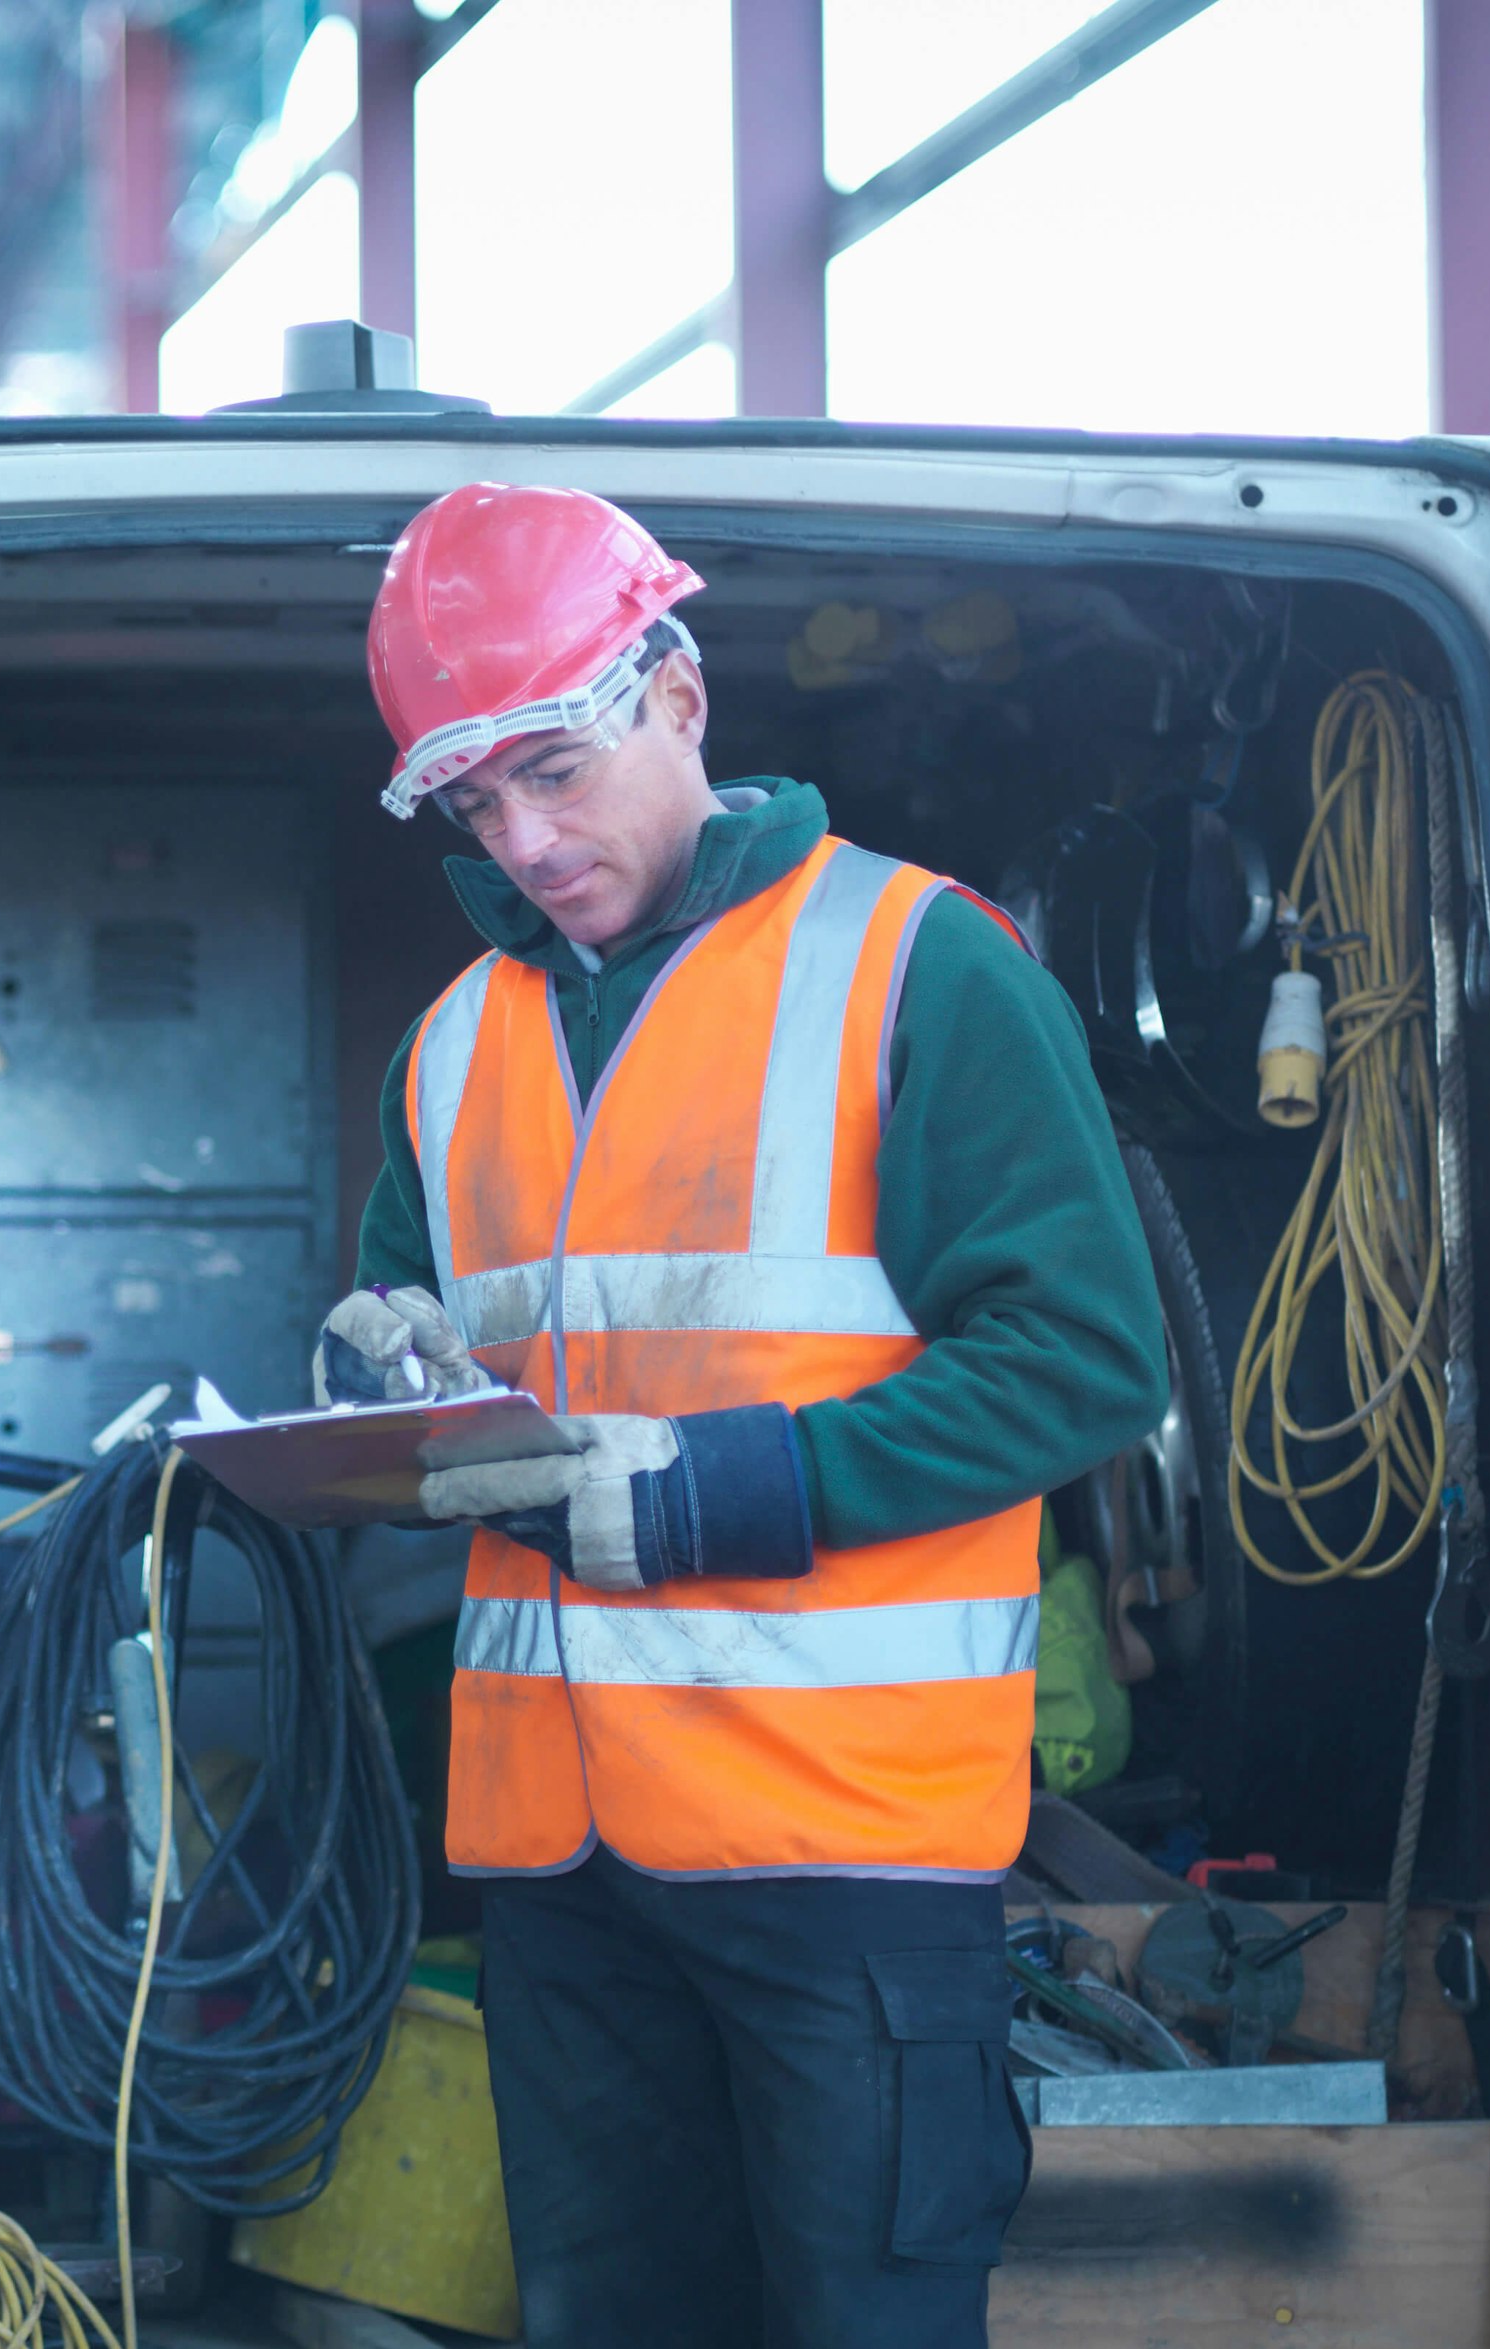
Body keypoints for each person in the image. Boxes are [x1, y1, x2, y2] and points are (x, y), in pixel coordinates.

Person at [316, 484, 1169, 2348]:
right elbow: (421, 1343)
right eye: (474, 803)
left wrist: (727, 1491)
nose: (525, 840)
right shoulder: (455, 1041)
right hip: (561, 1861)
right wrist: (369, 1387)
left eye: (554, 767)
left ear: (681, 695)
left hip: (838, 1851)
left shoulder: (915, 964)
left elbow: (1090, 1356)